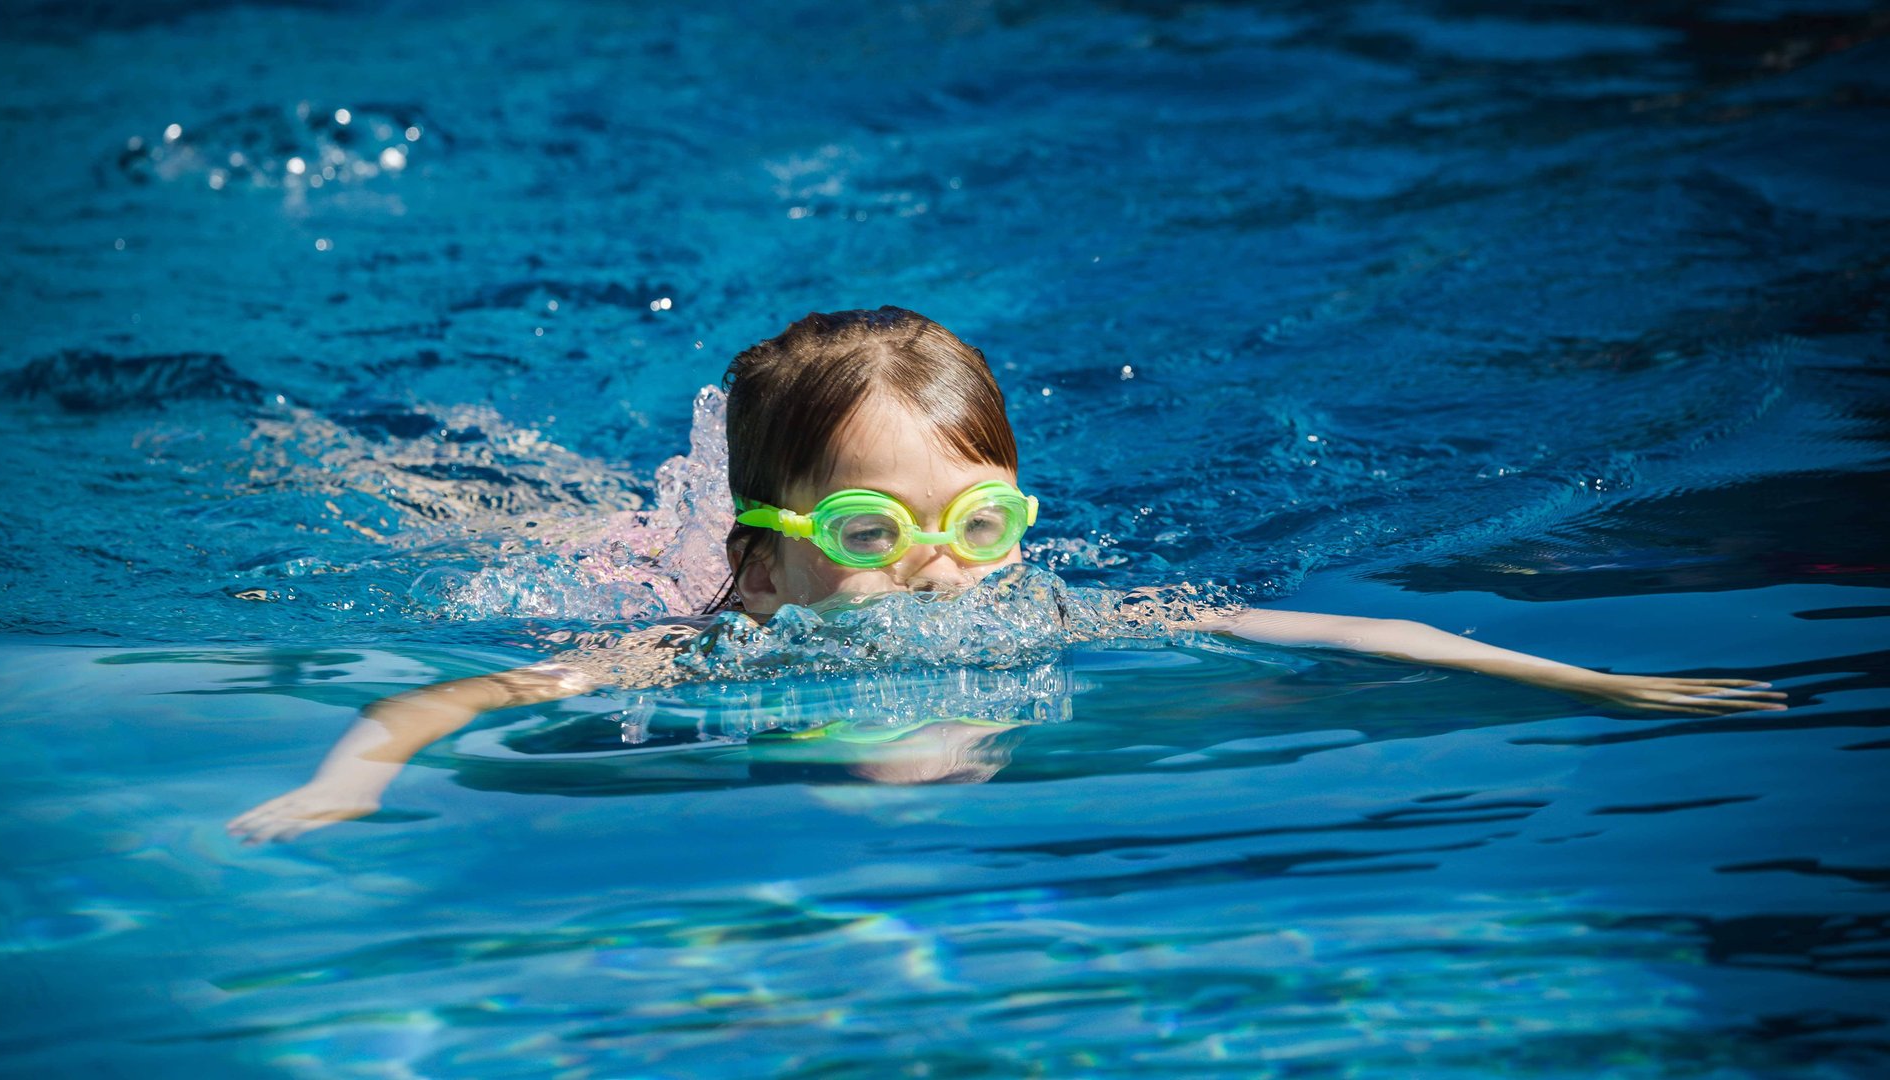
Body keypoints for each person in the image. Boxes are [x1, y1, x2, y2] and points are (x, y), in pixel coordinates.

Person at [227, 307, 1787, 844]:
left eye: (974, 527)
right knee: (474, 510)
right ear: (774, 563)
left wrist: (1587, 679)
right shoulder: (704, 641)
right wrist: (350, 782)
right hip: (630, 570)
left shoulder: (1040, 608)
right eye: (870, 535)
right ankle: (320, 446)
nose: (933, 577)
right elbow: (447, 700)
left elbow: (1331, 629)